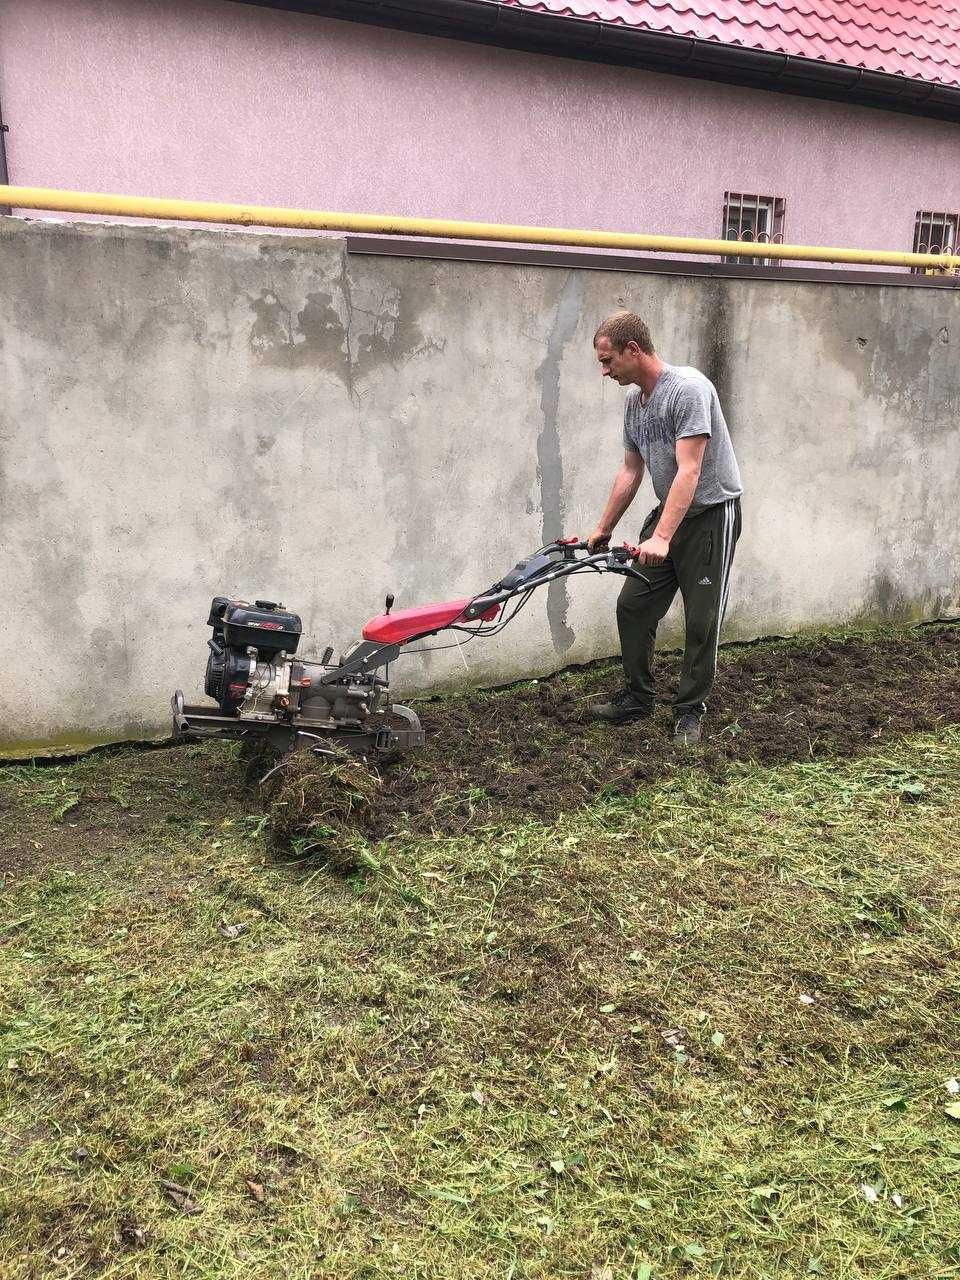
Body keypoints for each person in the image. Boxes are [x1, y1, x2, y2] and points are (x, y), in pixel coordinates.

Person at [587, 311, 743, 746]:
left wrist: (661, 536)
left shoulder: (688, 390)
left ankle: (691, 712)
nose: (604, 371)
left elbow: (689, 471)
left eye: (608, 361)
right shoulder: (634, 405)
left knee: (701, 619)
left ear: (632, 350)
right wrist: (603, 527)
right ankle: (638, 697)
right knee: (633, 605)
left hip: (711, 514)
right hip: (670, 513)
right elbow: (630, 471)